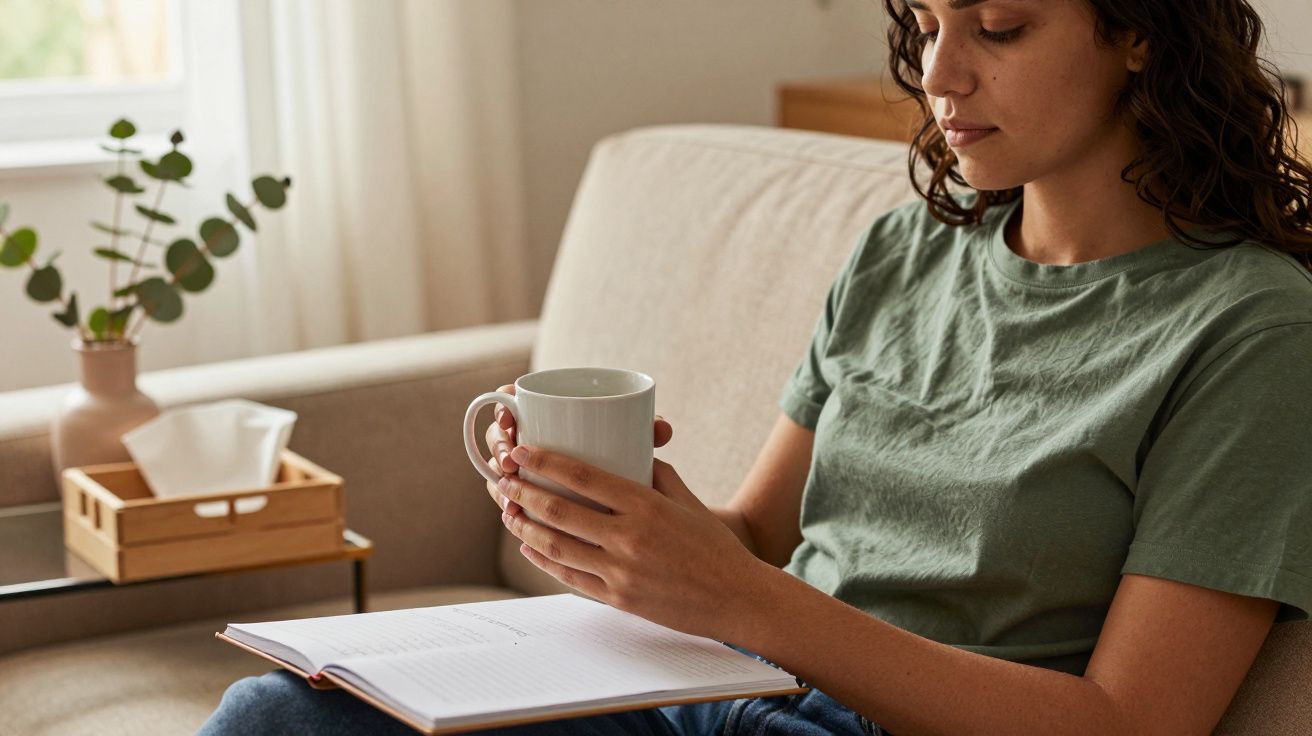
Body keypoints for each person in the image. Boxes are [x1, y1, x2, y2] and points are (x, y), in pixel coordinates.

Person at [199, 0, 1312, 733]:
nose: (939, 73)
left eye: (1000, 27)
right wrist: (625, 521)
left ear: (1141, 31)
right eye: (926, 22)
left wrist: (748, 602)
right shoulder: (904, 248)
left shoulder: (1250, 327)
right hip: (722, 693)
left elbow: (1132, 722)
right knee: (273, 716)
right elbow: (755, 539)